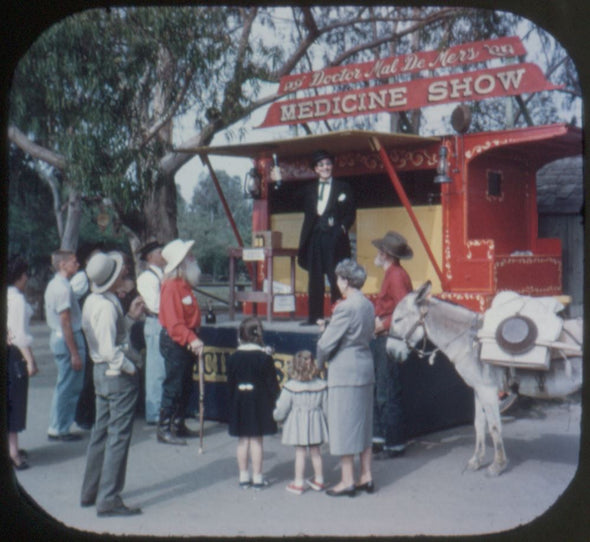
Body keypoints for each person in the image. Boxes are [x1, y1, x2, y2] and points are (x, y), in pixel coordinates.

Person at [80, 251, 145, 517]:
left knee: (100, 432)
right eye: (121, 272)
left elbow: (110, 338)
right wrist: (132, 367)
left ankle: (91, 491)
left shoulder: (94, 301)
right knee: (118, 436)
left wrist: (129, 317)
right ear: (114, 277)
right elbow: (111, 348)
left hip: (100, 372)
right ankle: (108, 497)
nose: (124, 273)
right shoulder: (107, 306)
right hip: (115, 372)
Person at [316, 259, 375, 497]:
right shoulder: (367, 305)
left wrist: (319, 364)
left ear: (346, 281)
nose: (337, 283)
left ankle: (347, 480)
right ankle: (366, 476)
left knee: (344, 425)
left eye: (339, 279)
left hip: (344, 370)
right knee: (364, 424)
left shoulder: (344, 307)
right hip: (365, 366)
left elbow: (325, 344)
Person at [296, 149, 356, 325]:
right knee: (314, 277)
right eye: (321, 165)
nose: (325, 167)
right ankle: (314, 317)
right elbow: (292, 198)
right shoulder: (308, 189)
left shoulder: (343, 187)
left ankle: (338, 316)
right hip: (315, 236)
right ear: (315, 169)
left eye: (328, 164)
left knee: (335, 276)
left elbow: (350, 214)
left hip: (334, 239)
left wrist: (341, 229)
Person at [371, 231, 414, 458]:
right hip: (387, 335)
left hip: (388, 337)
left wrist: (383, 325)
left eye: (380, 250)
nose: (377, 254)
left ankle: (394, 443)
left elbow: (404, 310)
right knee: (383, 388)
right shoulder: (395, 273)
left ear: (386, 254)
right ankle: (382, 439)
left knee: (387, 390)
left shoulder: (395, 276)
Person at [158, 239, 203, 445]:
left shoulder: (184, 285)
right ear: (181, 263)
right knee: (174, 385)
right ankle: (164, 427)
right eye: (189, 256)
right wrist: (192, 338)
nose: (193, 259)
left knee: (185, 385)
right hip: (176, 341)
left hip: (186, 339)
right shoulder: (171, 287)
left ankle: (178, 424)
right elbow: (174, 324)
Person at [227, 317, 280, 490]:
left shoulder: (233, 358)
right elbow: (272, 385)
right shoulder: (264, 358)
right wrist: (276, 402)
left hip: (239, 401)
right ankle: (258, 477)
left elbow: (230, 383)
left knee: (243, 441)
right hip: (259, 403)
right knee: (257, 441)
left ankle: (243, 476)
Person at [44, 249, 86, 441]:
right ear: (63, 264)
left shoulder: (56, 285)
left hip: (61, 337)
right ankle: (60, 427)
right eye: (74, 262)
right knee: (69, 385)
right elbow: (66, 321)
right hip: (67, 338)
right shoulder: (62, 288)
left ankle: (58, 425)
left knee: (65, 384)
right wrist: (74, 353)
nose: (77, 265)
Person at [273, 350, 328, 495]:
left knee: (300, 453)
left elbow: (282, 407)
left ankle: (298, 483)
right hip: (316, 421)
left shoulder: (290, 387)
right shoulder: (321, 385)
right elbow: (327, 407)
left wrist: (277, 417)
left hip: (298, 423)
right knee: (316, 451)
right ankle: (319, 480)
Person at [6, 255, 39, 469]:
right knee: (14, 404)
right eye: (25, 274)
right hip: (14, 354)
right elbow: (19, 335)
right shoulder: (16, 299)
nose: (27, 278)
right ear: (18, 276)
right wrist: (31, 361)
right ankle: (13, 453)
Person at [72, 241, 105, 431]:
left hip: (93, 327)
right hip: (86, 329)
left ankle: (89, 413)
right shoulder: (82, 279)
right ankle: (83, 414)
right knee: (88, 375)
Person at [136, 240, 166, 425]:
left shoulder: (161, 275)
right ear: (149, 257)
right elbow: (155, 305)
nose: (163, 256)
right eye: (159, 252)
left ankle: (161, 407)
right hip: (156, 322)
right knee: (156, 370)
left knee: (162, 368)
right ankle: (154, 412)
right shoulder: (147, 278)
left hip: (161, 322)